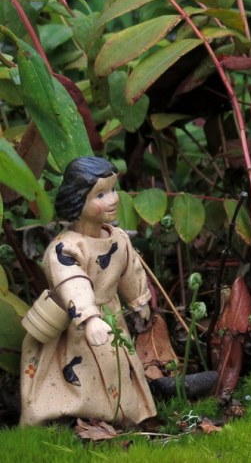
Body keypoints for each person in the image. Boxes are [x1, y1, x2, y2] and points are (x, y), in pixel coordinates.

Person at [20, 156, 156, 426]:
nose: (113, 199)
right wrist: (90, 317)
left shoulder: (118, 238)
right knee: (70, 372)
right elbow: (71, 281)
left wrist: (139, 299)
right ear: (77, 200)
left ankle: (118, 416)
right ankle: (65, 419)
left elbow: (130, 269)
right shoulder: (66, 248)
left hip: (111, 318)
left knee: (115, 366)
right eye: (100, 195)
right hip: (74, 323)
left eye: (113, 190)